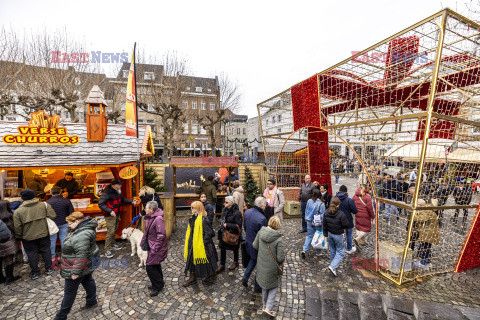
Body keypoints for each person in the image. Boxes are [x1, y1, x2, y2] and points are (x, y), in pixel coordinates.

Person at [54, 212, 99, 320]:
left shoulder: (82, 234)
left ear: (77, 221)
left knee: (69, 291)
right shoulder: (81, 229)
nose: (68, 225)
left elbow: (81, 254)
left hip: (77, 265)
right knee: (87, 279)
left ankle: (61, 316)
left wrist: (75, 272)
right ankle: (92, 301)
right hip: (86, 262)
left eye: (70, 223)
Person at [13, 188, 56, 280]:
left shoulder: (18, 211)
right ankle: (49, 268)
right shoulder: (44, 205)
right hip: (43, 232)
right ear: (34, 196)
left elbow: (17, 227)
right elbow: (53, 215)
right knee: (46, 250)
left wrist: (19, 237)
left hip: (27, 236)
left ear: (22, 198)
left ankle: (35, 272)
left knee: (31, 253)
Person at [253, 216, 285, 317]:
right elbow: (280, 258)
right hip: (272, 267)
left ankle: (264, 306)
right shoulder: (278, 239)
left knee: (264, 285)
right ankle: (268, 308)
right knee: (273, 287)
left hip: (262, 265)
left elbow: (255, 245)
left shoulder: (260, 232)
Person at [181, 201, 217, 287]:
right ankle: (192, 277)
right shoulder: (194, 217)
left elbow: (210, 233)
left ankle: (211, 274)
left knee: (207, 261)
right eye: (191, 207)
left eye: (193, 208)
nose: (191, 209)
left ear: (198, 208)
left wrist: (202, 243)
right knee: (191, 260)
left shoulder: (204, 219)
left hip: (201, 244)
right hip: (193, 243)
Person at [98, 180, 135, 259]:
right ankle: (107, 250)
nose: (120, 186)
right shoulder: (106, 193)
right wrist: (110, 211)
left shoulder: (117, 191)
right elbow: (101, 204)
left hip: (117, 213)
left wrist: (131, 202)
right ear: (114, 185)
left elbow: (122, 199)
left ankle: (112, 244)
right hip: (110, 215)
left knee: (114, 230)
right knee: (110, 232)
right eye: (119, 185)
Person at [141, 201, 168, 296]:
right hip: (152, 246)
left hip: (156, 248)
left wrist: (155, 247)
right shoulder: (150, 217)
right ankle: (159, 283)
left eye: (146, 208)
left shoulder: (158, 219)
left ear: (151, 210)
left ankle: (157, 286)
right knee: (155, 264)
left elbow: (161, 235)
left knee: (150, 267)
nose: (145, 209)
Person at [242, 196, 268, 293]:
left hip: (249, 242)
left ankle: (245, 277)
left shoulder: (247, 212)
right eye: (265, 204)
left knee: (253, 260)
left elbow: (244, 226)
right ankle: (257, 287)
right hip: (258, 246)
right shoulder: (262, 218)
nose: (265, 206)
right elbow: (264, 236)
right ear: (261, 206)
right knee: (260, 265)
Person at [323, 197, 349, 277]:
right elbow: (345, 225)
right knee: (341, 251)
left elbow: (324, 224)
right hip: (338, 235)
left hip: (330, 234)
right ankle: (333, 266)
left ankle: (333, 267)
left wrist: (325, 234)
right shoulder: (341, 214)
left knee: (333, 251)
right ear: (338, 205)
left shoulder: (326, 212)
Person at [216, 196, 242, 273]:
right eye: (225, 202)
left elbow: (239, 226)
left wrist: (227, 225)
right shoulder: (225, 210)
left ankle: (235, 262)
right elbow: (222, 219)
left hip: (233, 234)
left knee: (235, 248)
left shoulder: (237, 213)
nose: (224, 203)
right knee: (223, 248)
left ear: (231, 203)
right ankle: (222, 264)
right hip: (224, 233)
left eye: (226, 202)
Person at [412, 199, 440, 270]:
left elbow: (421, 219)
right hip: (429, 233)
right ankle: (424, 261)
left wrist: (414, 214)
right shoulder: (433, 212)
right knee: (425, 247)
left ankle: (423, 263)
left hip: (427, 234)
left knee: (425, 248)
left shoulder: (428, 212)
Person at [47, 187, 74, 257]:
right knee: (64, 238)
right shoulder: (66, 201)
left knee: (52, 240)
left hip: (52, 224)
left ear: (50, 192)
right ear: (60, 192)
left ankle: (52, 255)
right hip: (64, 222)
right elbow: (71, 213)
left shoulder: (47, 203)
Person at [0, 201, 20, 285]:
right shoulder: (8, 218)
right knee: (9, 259)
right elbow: (14, 229)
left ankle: (1, 278)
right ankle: (9, 278)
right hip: (8, 241)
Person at [301, 189, 325, 259]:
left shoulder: (309, 201)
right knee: (318, 236)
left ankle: (305, 250)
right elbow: (322, 215)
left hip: (309, 220)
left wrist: (306, 218)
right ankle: (318, 252)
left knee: (309, 236)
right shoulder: (321, 204)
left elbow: (306, 210)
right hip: (317, 222)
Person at [335, 185, 358, 254]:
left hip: (337, 219)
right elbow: (355, 211)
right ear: (346, 191)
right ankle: (349, 249)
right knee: (349, 234)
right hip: (347, 219)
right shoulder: (349, 200)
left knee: (338, 234)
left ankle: (338, 249)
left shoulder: (334, 198)